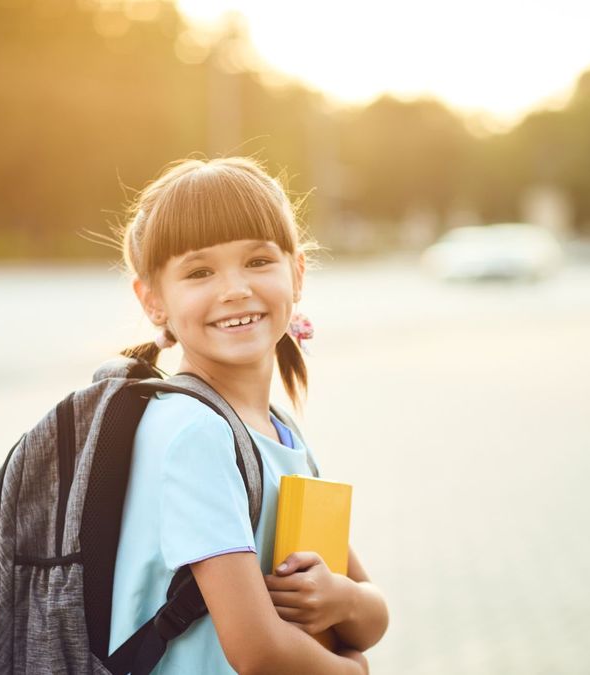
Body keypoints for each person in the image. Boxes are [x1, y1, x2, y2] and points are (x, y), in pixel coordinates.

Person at [107, 156, 389, 674]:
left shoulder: (280, 433)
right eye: (199, 271)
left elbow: (371, 616)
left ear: (297, 273)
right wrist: (356, 670)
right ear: (153, 300)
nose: (234, 288)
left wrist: (339, 599)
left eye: (258, 261)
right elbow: (259, 652)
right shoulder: (194, 434)